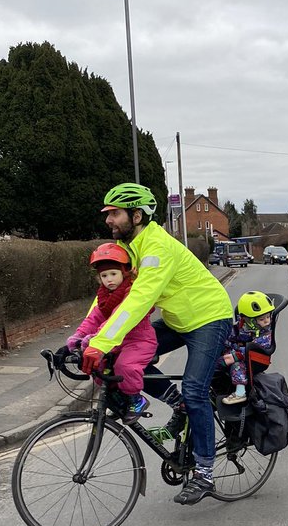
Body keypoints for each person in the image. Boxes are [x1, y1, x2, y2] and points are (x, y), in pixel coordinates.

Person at [88, 183, 234, 506]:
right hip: (180, 319)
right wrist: (86, 340)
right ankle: (177, 403)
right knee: (128, 355)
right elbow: (112, 300)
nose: (108, 221)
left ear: (136, 215)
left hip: (210, 317)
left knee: (196, 389)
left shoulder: (156, 248)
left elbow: (140, 299)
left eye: (114, 213)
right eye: (108, 214)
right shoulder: (131, 249)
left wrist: (101, 341)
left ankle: (206, 472)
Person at [66, 242, 158, 424]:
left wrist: (95, 340)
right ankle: (118, 401)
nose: (109, 279)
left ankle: (136, 400)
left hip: (139, 340)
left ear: (124, 273)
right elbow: (93, 319)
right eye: (104, 275)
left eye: (113, 274)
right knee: (99, 367)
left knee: (126, 366)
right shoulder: (104, 297)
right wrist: (76, 338)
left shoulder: (132, 292)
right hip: (116, 342)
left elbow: (116, 319)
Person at [219, 291, 275, 405]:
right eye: (262, 319)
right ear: (249, 320)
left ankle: (240, 393)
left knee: (237, 366)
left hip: (256, 358)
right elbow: (233, 335)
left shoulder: (265, 333)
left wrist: (236, 355)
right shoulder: (245, 326)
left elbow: (257, 348)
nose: (266, 321)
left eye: (268, 317)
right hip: (242, 352)